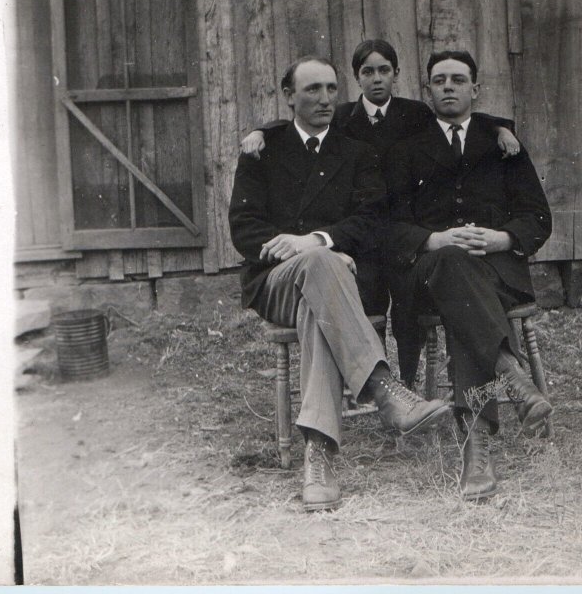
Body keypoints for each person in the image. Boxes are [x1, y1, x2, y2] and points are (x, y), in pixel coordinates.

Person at [229, 55, 450, 512]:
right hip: (276, 281)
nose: (325, 98)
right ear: (289, 96)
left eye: (331, 88)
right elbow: (244, 227)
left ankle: (319, 453)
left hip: (332, 287)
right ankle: (383, 388)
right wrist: (298, 250)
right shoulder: (262, 150)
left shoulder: (357, 153)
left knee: (321, 278)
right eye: (312, 90)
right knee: (318, 264)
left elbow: (371, 219)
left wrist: (317, 242)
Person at [239, 39, 520, 387]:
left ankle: (406, 380)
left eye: (384, 70)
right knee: (371, 300)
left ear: (396, 74)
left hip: (403, 223)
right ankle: (378, 378)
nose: (376, 79)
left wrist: (501, 127)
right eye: (367, 72)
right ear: (357, 78)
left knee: (407, 303)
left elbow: (459, 114)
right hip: (365, 229)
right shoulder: (341, 115)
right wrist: (259, 130)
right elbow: (296, 125)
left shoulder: (415, 113)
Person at [385, 50, 553, 500]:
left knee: (462, 302)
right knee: (453, 268)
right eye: (439, 80)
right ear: (427, 90)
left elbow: (537, 216)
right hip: (430, 268)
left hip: (496, 269)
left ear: (475, 89)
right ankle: (511, 376)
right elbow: (389, 224)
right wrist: (434, 240)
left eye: (458, 80)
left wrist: (500, 238)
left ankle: (476, 448)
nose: (448, 87)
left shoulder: (504, 146)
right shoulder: (406, 149)